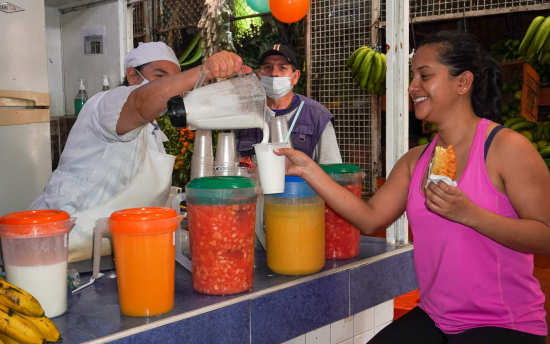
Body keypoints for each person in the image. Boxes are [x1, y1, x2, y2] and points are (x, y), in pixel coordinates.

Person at [276, 31, 550, 343]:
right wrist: (308, 168)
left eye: (425, 75)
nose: (412, 87)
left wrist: (470, 214)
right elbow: (369, 218)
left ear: (463, 83)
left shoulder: (506, 148)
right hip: (436, 317)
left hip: (502, 324)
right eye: (412, 76)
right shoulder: (415, 160)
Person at [30, 42, 251, 262]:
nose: (170, 86)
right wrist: (204, 70)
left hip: (111, 252)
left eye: (174, 80)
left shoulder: (153, 131)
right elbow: (140, 101)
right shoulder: (106, 104)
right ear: (132, 75)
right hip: (57, 245)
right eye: (160, 76)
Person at [236, 44, 342, 164]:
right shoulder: (244, 114)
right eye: (267, 67)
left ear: (295, 77)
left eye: (282, 68)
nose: (274, 73)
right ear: (259, 75)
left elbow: (331, 172)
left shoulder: (318, 117)